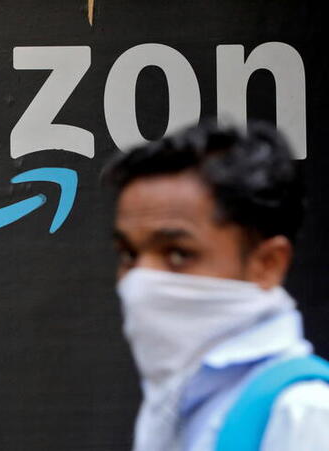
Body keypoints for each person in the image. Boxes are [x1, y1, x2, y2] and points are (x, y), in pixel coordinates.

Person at [102, 122, 329, 451]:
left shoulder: (303, 414)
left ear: (268, 264)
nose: (140, 280)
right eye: (129, 255)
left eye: (178, 255)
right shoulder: (172, 406)